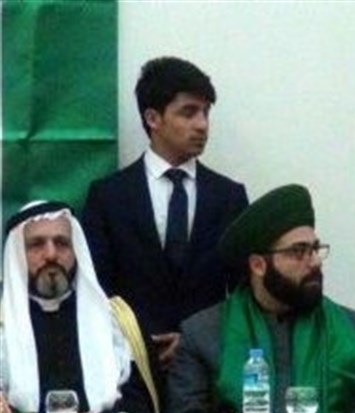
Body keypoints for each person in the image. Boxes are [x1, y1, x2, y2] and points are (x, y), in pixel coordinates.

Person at [165, 184, 355, 413]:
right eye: (298, 251)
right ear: (258, 265)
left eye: (315, 249)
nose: (314, 262)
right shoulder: (203, 335)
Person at [82, 56, 248, 368]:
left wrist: (198, 340)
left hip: (209, 366)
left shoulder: (229, 197)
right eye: (189, 112)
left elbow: (244, 293)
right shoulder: (108, 197)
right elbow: (96, 290)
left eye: (206, 112)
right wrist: (138, 344)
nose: (202, 124)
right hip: (129, 367)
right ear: (153, 118)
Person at [0, 201, 160, 413]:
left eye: (62, 243)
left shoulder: (117, 320)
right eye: (36, 244)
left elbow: (142, 409)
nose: (51, 254)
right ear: (16, 254)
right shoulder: (3, 325)